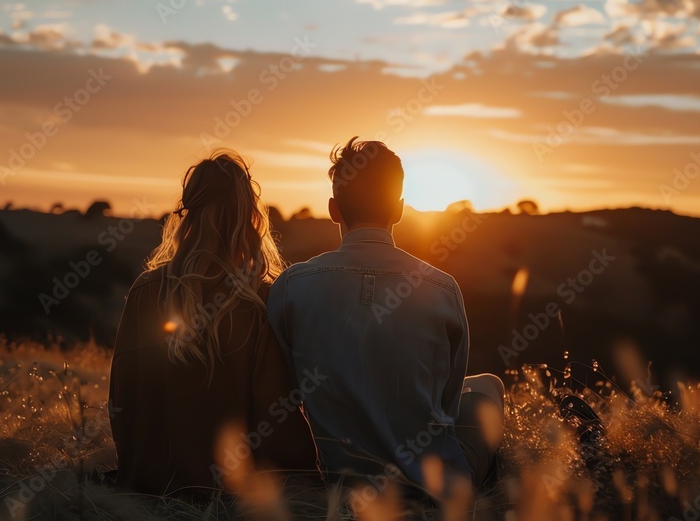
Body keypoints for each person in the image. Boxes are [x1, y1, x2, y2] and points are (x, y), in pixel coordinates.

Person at [267, 137, 504, 497]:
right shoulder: (442, 288)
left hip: (339, 484)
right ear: (399, 209)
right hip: (432, 487)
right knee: (488, 386)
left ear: (334, 209)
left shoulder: (290, 288)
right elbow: (447, 405)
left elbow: (284, 390)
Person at [109, 150, 318, 498]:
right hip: (232, 498)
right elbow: (275, 415)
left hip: (149, 493)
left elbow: (123, 401)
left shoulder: (147, 290)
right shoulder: (261, 301)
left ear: (187, 213)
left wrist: (136, 480)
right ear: (251, 216)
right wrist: (308, 484)